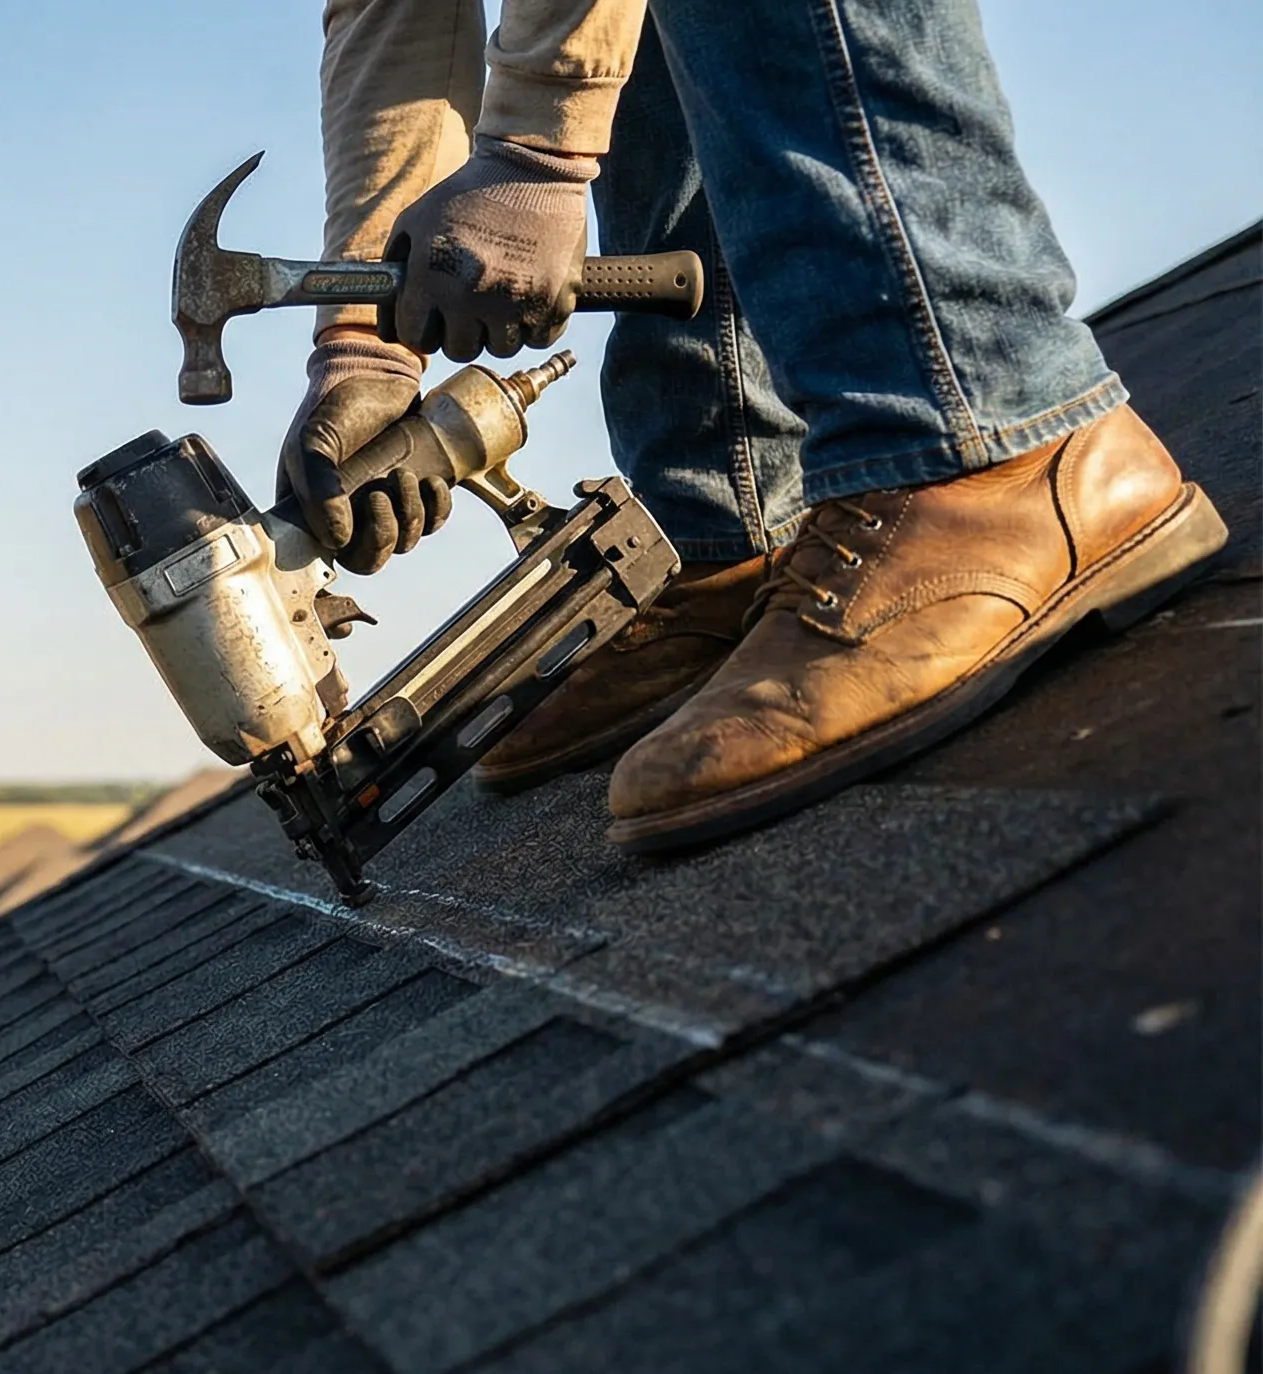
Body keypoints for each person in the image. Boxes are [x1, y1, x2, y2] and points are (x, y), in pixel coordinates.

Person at [283, 0, 1225, 848]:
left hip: (979, 415)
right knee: (641, 29)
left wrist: (533, 152)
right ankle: (731, 528)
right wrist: (363, 346)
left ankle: (983, 439)